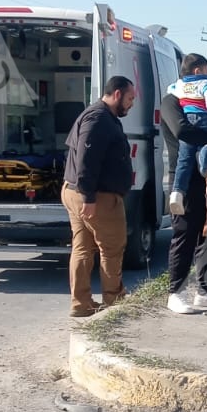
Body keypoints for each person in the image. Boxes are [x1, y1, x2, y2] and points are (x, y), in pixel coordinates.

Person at [60, 76, 135, 318]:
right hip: (95, 197)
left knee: (83, 248)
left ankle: (81, 304)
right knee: (112, 247)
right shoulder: (99, 118)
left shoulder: (100, 116)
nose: (131, 104)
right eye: (130, 98)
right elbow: (86, 158)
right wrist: (89, 197)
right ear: (116, 94)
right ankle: (114, 301)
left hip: (77, 192)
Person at [162, 90, 207, 314]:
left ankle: (206, 292)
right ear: (195, 73)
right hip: (184, 182)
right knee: (184, 236)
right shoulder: (171, 102)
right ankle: (176, 293)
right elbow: (183, 130)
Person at [168, 53, 207, 216]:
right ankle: (205, 158)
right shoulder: (205, 83)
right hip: (205, 116)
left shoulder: (179, 84)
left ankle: (177, 192)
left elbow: (171, 90)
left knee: (184, 158)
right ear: (198, 70)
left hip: (187, 116)